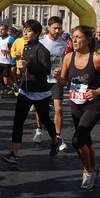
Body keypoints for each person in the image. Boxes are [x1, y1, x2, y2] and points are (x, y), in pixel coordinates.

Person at [53, 25, 100, 190]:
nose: (74, 40)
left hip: (93, 105)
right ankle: (94, 166)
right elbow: (64, 82)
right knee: (86, 141)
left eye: (79, 37)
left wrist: (97, 91)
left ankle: (88, 172)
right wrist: (58, 78)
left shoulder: (96, 58)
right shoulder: (68, 58)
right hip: (76, 104)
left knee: (77, 140)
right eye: (73, 37)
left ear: (88, 40)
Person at [0, 20, 58, 164]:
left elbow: (46, 70)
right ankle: (15, 154)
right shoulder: (25, 48)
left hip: (40, 92)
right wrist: (20, 72)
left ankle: (55, 140)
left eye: (29, 30)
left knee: (45, 119)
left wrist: (29, 66)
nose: (25, 33)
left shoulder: (42, 50)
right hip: (25, 90)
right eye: (24, 29)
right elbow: (24, 68)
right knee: (18, 121)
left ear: (37, 33)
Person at [34, 16, 69, 150]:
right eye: (55, 28)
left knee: (59, 109)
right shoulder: (41, 41)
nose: (57, 31)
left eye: (59, 28)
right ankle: (39, 129)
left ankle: (58, 136)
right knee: (40, 109)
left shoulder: (64, 43)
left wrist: (63, 74)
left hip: (56, 80)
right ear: (48, 27)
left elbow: (65, 61)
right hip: (42, 79)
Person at [0, 24, 14, 104]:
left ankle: (14, 86)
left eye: (2, 29)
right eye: (0, 30)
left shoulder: (11, 39)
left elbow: (15, 50)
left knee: (6, 81)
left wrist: (7, 51)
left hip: (6, 62)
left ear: (7, 30)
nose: (0, 31)